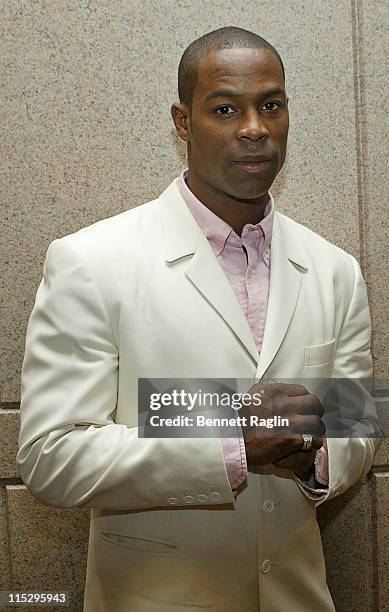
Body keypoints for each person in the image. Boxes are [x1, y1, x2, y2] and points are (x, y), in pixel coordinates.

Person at [17, 26, 379, 612]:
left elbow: (357, 430)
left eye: (271, 105)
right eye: (225, 108)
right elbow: (50, 454)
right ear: (183, 122)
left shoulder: (335, 270)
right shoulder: (92, 261)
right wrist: (232, 441)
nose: (255, 128)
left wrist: (316, 444)